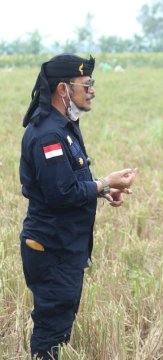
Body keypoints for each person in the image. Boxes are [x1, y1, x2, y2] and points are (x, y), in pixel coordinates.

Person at [19, 53, 138, 360]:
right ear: (63, 89)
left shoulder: (64, 126)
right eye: (87, 84)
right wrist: (104, 184)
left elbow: (68, 183)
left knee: (60, 327)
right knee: (52, 332)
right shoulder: (48, 134)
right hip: (52, 250)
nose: (92, 90)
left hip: (64, 248)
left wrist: (103, 188)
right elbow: (61, 194)